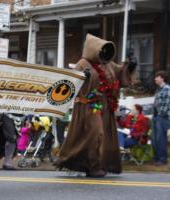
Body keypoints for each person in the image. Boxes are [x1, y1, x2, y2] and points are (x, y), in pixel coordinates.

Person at [54, 34, 136, 177]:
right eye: (101, 49)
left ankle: (98, 164)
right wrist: (82, 76)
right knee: (96, 133)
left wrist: (130, 66)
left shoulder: (108, 64)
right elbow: (70, 83)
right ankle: (93, 166)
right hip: (88, 106)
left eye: (105, 50)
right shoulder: (83, 63)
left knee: (103, 137)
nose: (103, 53)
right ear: (93, 49)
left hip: (105, 107)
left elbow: (120, 74)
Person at [152, 71, 170, 166]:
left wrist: (160, 115)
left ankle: (163, 159)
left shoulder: (167, 89)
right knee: (154, 138)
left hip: (162, 117)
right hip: (156, 116)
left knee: (161, 139)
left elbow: (167, 104)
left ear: (162, 78)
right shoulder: (158, 89)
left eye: (157, 77)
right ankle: (157, 157)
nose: (155, 79)